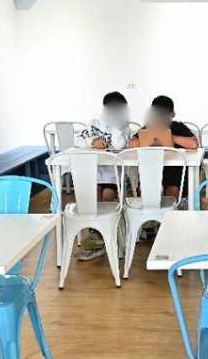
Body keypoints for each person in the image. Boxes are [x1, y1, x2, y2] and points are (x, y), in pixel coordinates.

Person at [75, 91, 132, 260]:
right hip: (94, 171)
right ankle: (96, 235)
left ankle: (99, 235)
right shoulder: (93, 124)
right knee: (91, 200)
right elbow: (77, 141)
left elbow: (119, 145)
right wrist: (92, 141)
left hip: (113, 174)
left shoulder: (124, 128)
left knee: (106, 200)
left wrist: (115, 126)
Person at [129, 95, 198, 198]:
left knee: (172, 191)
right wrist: (152, 138)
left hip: (174, 169)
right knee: (143, 190)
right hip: (152, 166)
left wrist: (169, 137)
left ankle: (172, 207)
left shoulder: (178, 127)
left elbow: (193, 144)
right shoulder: (149, 128)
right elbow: (132, 143)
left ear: (172, 114)